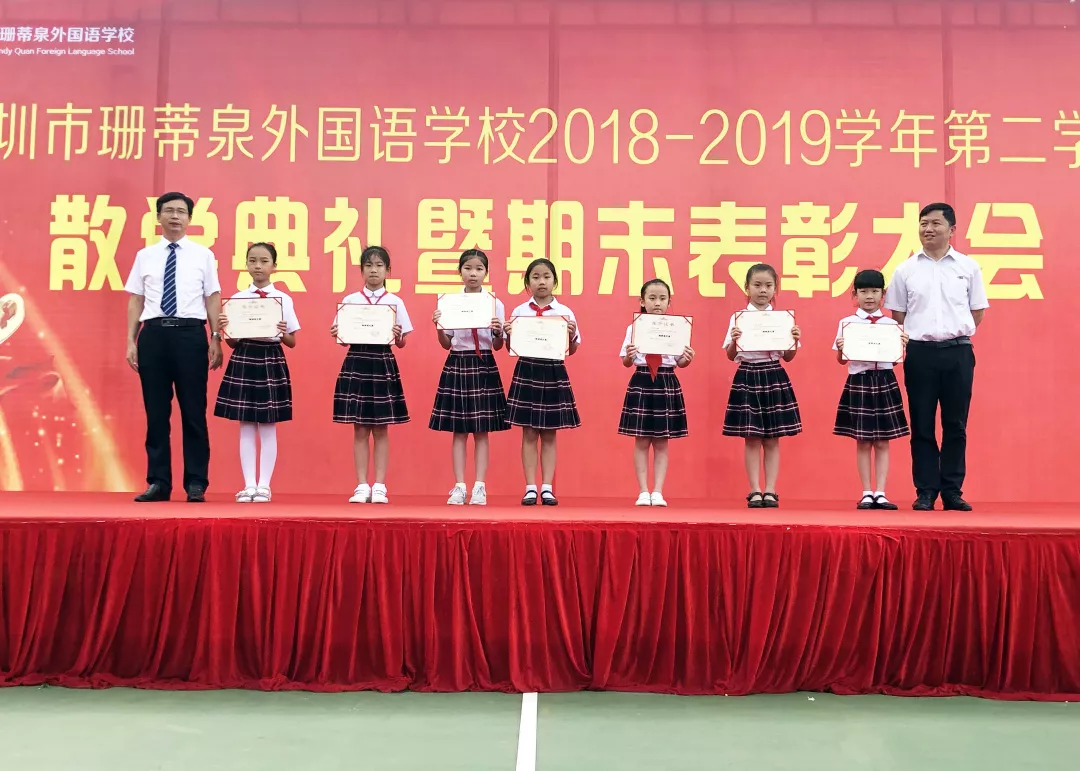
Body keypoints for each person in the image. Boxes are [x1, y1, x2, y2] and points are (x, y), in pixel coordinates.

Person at [884, 202, 989, 511]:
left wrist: (955, 333)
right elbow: (898, 315)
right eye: (923, 224)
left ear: (951, 229)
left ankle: (952, 491)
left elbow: (977, 311)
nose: (927, 229)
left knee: (956, 424)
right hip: (920, 353)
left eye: (935, 223)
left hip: (958, 352)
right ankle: (926, 491)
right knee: (922, 424)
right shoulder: (905, 269)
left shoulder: (968, 267)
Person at [124, 192, 222, 503]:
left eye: (181, 211)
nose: (175, 216)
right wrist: (130, 340)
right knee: (156, 413)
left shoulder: (203, 255)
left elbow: (212, 297)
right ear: (159, 217)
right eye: (169, 211)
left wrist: (215, 337)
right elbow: (136, 299)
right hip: (153, 335)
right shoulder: (145, 256)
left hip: (190, 335)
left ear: (190, 218)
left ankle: (196, 482)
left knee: (193, 412)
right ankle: (158, 482)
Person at [214, 243, 300, 503]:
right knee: (246, 425)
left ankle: (264, 486)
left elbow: (292, 341)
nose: (258, 266)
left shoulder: (283, 299)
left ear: (274, 266)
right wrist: (225, 328)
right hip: (244, 357)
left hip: (271, 357)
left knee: (268, 425)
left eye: (264, 261)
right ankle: (249, 485)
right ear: (246, 265)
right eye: (252, 261)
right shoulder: (238, 299)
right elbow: (232, 343)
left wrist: (282, 331)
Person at [330, 246, 411, 504]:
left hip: (382, 361)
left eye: (379, 266)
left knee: (381, 428)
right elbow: (343, 340)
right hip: (357, 361)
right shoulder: (351, 300)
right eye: (368, 265)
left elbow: (402, 343)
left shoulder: (395, 302)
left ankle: (380, 485)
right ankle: (362, 484)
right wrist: (338, 334)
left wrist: (398, 336)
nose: (373, 270)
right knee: (360, 428)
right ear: (361, 270)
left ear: (388, 270)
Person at [430, 249, 510, 506]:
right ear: (460, 272)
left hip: (484, 362)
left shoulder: (494, 303)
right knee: (459, 430)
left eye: (478, 269)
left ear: (486, 272)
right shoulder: (449, 302)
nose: (473, 274)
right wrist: (439, 327)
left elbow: (498, 345)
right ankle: (459, 486)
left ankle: (479, 486)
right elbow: (446, 343)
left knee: (482, 430)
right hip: (458, 361)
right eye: (468, 268)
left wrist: (497, 332)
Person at [722, 263, 802, 509]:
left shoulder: (783, 319)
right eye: (757, 285)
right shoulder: (739, 318)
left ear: (775, 288)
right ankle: (755, 489)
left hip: (774, 374)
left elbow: (789, 357)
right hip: (747, 374)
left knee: (772, 438)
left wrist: (793, 340)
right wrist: (734, 341)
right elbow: (730, 355)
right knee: (752, 437)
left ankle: (771, 490)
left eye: (768, 285)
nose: (763, 290)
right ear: (747, 287)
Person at [505, 258, 580, 506]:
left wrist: (571, 336)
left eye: (546, 276)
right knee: (528, 432)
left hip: (553, 371)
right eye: (535, 277)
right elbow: (510, 348)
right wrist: (508, 334)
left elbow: (572, 350)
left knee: (549, 433)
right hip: (527, 370)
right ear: (528, 282)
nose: (541, 282)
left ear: (554, 281)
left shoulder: (565, 313)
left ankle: (547, 487)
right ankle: (530, 487)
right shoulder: (519, 312)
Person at [833, 269, 910, 510]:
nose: (869, 296)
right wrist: (841, 348)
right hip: (860, 381)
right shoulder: (847, 323)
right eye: (864, 291)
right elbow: (842, 360)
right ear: (854, 294)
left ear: (883, 294)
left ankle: (881, 492)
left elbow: (895, 360)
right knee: (863, 440)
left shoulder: (892, 325)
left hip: (885, 381)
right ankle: (866, 491)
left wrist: (902, 347)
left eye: (875, 291)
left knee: (883, 441)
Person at [618, 278, 695, 507]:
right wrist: (629, 356)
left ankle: (658, 491)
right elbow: (625, 362)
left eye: (662, 298)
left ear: (669, 302)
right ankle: (643, 491)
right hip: (642, 379)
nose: (657, 303)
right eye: (652, 298)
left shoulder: (677, 327)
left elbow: (680, 362)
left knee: (662, 441)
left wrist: (687, 358)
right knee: (641, 440)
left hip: (666, 379)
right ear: (642, 301)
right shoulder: (634, 327)